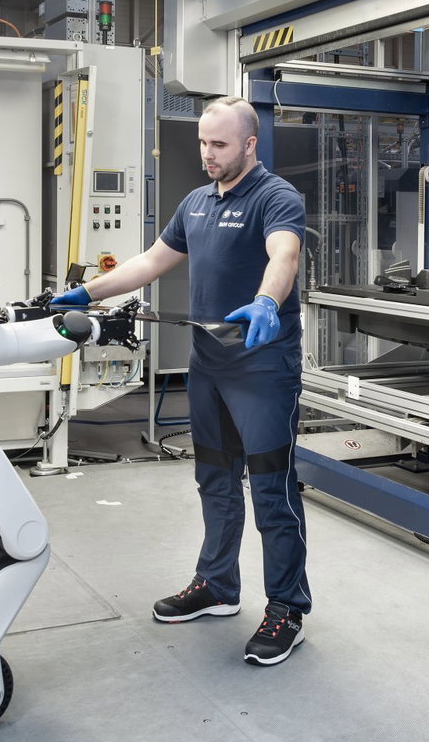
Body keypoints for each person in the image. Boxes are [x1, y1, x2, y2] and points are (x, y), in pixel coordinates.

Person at [51, 95, 310, 666]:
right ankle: (217, 585)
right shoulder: (195, 203)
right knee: (215, 480)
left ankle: (287, 607)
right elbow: (150, 261)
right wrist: (89, 291)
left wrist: (268, 300)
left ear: (249, 144)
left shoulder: (275, 197)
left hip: (262, 368)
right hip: (209, 367)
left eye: (218, 145)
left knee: (272, 489)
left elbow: (283, 254)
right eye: (201, 143)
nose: (206, 155)